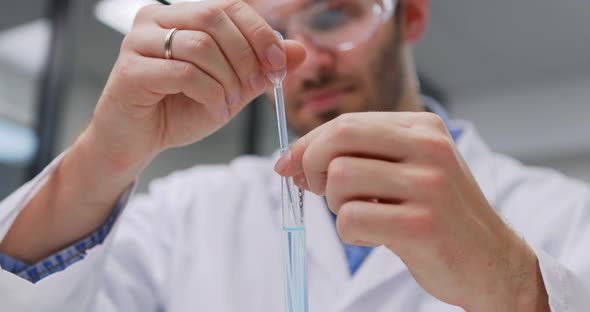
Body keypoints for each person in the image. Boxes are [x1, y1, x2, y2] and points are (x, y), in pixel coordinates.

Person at [0, 0, 589, 310]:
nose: (302, 56)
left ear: (410, 14)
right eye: (274, 30)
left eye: (333, 15)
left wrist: (515, 288)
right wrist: (104, 155)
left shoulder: (565, 217)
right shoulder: (188, 214)